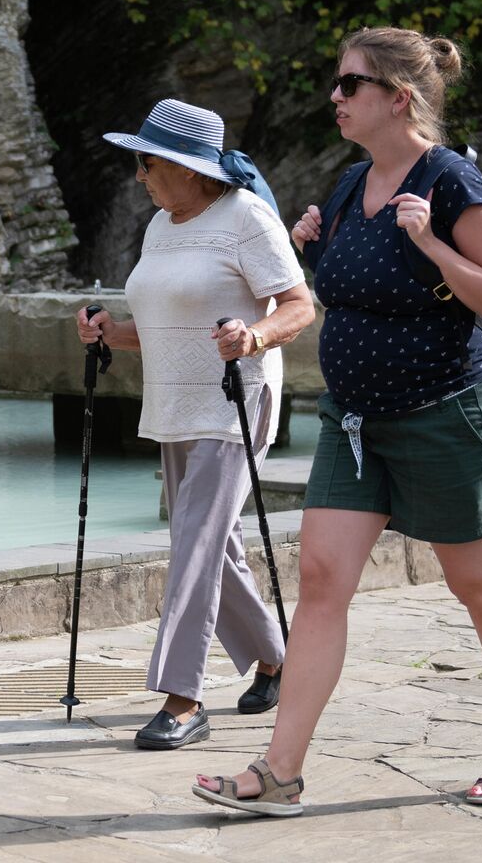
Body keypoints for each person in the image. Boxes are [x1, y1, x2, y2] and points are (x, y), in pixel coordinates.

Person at [193, 28, 482, 817]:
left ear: (398, 97)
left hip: (445, 415)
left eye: (351, 85)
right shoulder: (353, 183)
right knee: (321, 583)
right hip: (354, 423)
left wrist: (428, 241)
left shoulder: (453, 183)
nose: (336, 97)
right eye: (337, 84)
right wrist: (309, 246)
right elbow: (349, 291)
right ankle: (280, 773)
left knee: (476, 582)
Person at [77, 98, 315, 750]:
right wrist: (108, 334)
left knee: (193, 545)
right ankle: (275, 657)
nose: (138, 176)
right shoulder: (161, 226)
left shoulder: (246, 218)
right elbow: (161, 327)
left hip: (235, 403)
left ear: (188, 168)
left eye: (146, 162)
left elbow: (298, 306)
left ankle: (184, 700)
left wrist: (255, 335)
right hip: (176, 407)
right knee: (215, 545)